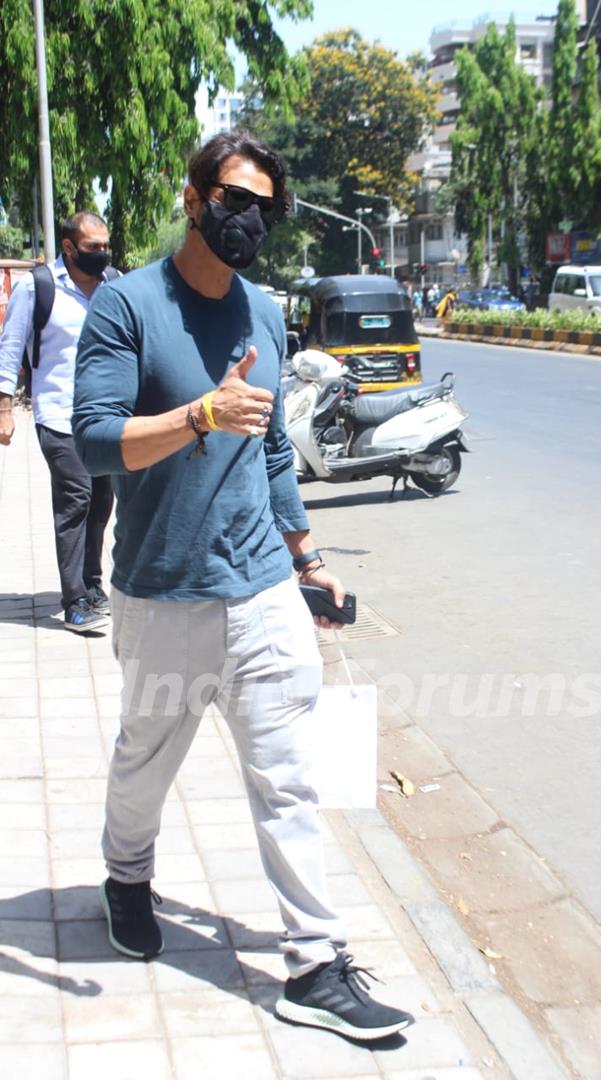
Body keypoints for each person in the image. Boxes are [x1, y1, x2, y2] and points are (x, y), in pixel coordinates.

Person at [72, 130, 413, 1042]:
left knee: (290, 777)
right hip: (160, 588)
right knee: (147, 759)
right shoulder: (128, 306)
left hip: (259, 584)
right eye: (232, 198)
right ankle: (127, 874)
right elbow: (95, 439)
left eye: (263, 206)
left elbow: (267, 448)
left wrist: (307, 559)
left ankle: (314, 963)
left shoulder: (264, 311)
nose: (247, 218)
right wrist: (198, 414)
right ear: (193, 198)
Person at [0, 212, 115, 632]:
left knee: (102, 502)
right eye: (92, 248)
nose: (101, 254)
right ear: (68, 247)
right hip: (57, 412)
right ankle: (74, 602)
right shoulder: (37, 286)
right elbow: (10, 347)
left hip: (105, 415)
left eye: (105, 246)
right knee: (76, 498)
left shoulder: (113, 284)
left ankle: (92, 582)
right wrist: (4, 407)